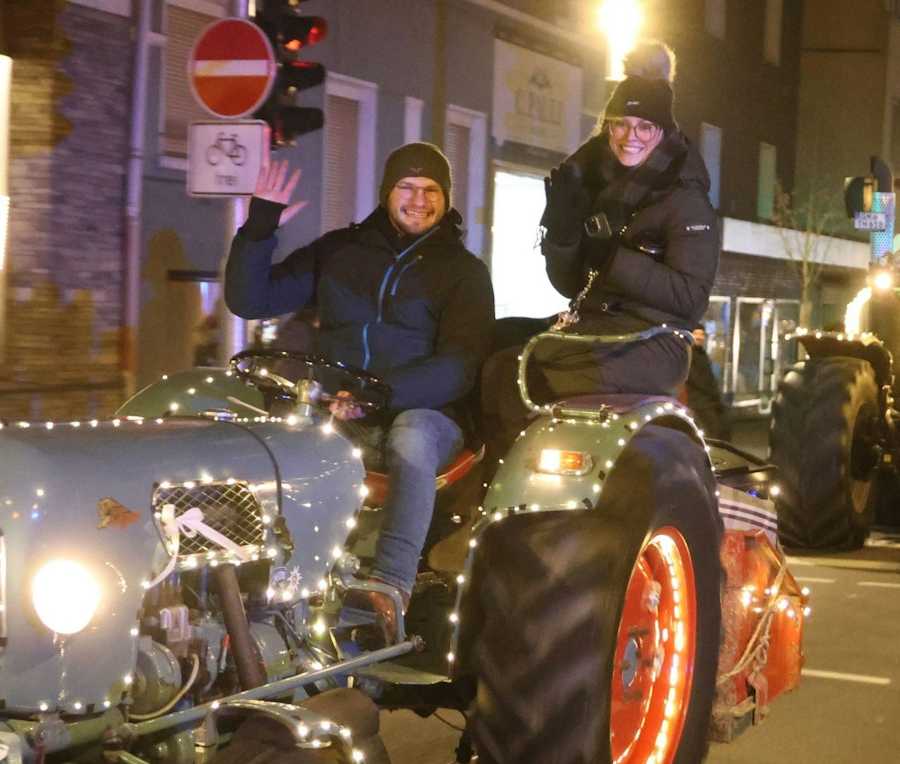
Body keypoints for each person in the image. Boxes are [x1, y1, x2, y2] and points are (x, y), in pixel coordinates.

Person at [226, 142, 494, 617]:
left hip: (426, 416)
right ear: (386, 192)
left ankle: (389, 588)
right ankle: (262, 586)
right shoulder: (339, 251)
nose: (419, 199)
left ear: (446, 198)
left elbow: (459, 366)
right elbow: (251, 299)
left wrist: (377, 397)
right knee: (264, 437)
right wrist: (261, 224)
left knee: (411, 436)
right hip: (338, 408)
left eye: (431, 189)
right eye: (406, 187)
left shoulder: (464, 273)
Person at [483, 41, 721, 448]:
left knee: (519, 370)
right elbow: (572, 286)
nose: (631, 137)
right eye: (621, 124)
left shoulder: (684, 197)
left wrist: (613, 258)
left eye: (645, 126)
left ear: (662, 132)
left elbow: (690, 297)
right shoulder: (595, 182)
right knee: (492, 347)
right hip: (599, 326)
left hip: (656, 341)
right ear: (608, 126)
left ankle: (512, 479)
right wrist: (561, 235)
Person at [684, 324, 729, 437]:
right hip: (698, 401)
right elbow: (694, 379)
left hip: (708, 400)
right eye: (696, 334)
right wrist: (711, 391)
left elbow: (708, 377)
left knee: (722, 427)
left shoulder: (702, 353)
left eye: (702, 334)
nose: (699, 337)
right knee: (713, 431)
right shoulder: (689, 354)